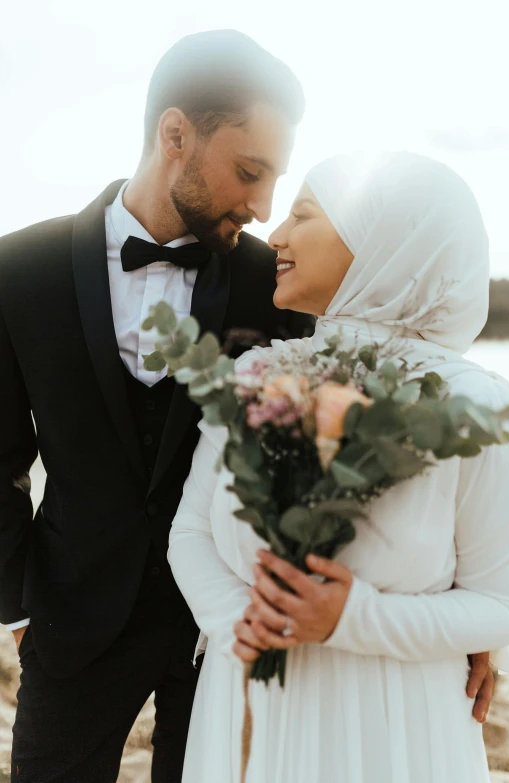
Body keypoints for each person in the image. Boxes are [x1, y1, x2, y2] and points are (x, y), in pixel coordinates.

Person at [0, 29, 312, 783]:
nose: (265, 205)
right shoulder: (18, 272)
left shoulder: (274, 283)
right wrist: (17, 608)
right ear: (175, 133)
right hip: (70, 620)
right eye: (249, 171)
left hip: (219, 627)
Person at [169, 151, 509, 783]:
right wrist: (237, 624)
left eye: (303, 215)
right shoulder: (254, 377)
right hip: (248, 697)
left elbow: (505, 603)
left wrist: (352, 619)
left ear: (382, 245)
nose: (274, 234)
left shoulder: (481, 407)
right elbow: (191, 531)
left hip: (397, 724)